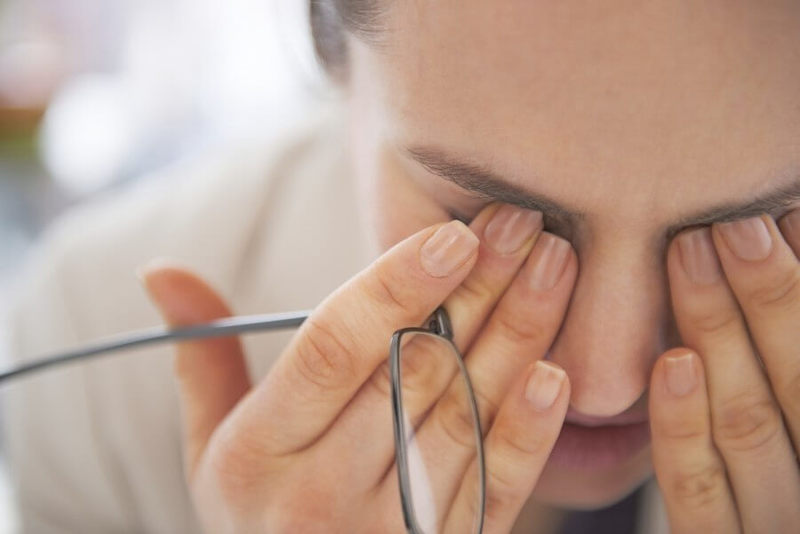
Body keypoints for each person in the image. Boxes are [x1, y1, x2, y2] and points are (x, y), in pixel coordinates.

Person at [4, 1, 800, 532]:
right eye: (492, 220)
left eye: (753, 231)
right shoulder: (88, 371)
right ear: (334, 62)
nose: (603, 386)